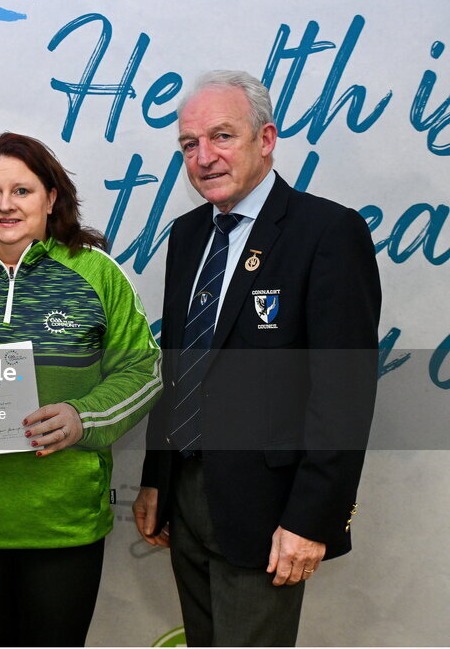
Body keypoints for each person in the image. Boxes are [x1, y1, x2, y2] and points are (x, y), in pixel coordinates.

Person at [133, 70, 381, 646]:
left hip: (270, 512)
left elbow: (343, 395)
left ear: (265, 139)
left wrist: (311, 520)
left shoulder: (328, 232)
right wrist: (155, 480)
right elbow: (179, 369)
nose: (204, 158)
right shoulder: (187, 235)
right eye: (189, 144)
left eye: (221, 136)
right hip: (186, 498)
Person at [0, 132, 162, 646]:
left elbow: (144, 369)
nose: (6, 205)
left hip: (63, 521)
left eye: (21, 191)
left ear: (50, 198)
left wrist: (83, 417)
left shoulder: (96, 272)